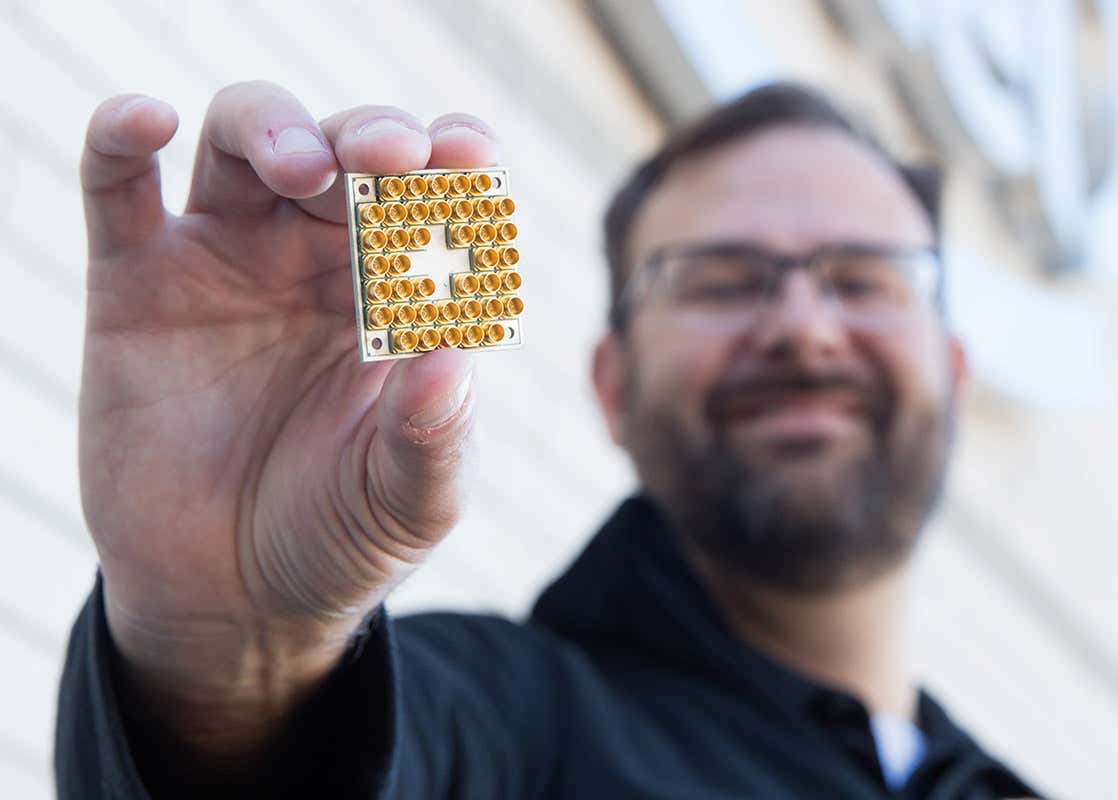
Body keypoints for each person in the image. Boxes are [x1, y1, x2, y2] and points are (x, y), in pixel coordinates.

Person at [56, 80, 1041, 799]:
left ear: (953, 372)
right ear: (613, 384)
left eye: (865, 277)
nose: (803, 325)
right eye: (720, 277)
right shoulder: (492, 730)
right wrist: (235, 649)